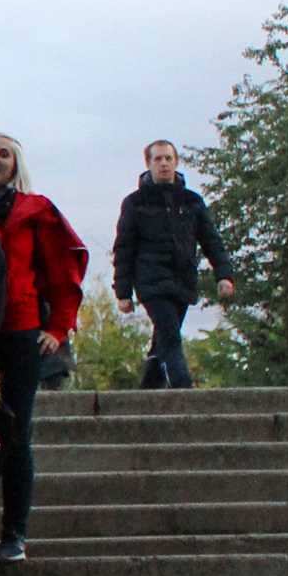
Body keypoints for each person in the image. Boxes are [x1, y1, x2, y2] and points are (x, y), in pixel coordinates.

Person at [0, 133, 85, 563]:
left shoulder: (35, 212)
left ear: (16, 164)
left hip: (21, 332)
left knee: (15, 434)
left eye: (3, 154)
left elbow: (61, 273)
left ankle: (14, 532)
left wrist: (58, 327)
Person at [113, 140, 236, 391]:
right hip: (151, 282)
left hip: (183, 281)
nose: (164, 164)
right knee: (170, 335)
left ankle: (148, 390)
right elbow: (124, 247)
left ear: (176, 162)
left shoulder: (192, 201)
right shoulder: (135, 203)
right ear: (148, 164)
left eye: (168, 158)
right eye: (158, 159)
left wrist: (224, 275)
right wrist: (123, 292)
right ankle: (184, 389)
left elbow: (211, 240)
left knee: (163, 338)